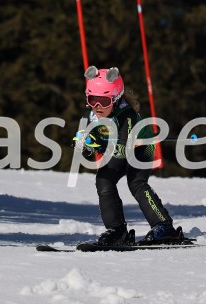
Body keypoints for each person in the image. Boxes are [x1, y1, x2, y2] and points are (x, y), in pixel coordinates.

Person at [74, 66, 180, 246]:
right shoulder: (89, 116)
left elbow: (122, 150)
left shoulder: (127, 115)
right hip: (117, 148)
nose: (97, 106)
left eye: (103, 101)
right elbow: (86, 151)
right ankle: (117, 230)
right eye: (92, 99)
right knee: (104, 180)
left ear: (115, 99)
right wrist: (86, 146)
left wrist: (98, 145)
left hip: (141, 149)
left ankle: (164, 226)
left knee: (136, 183)